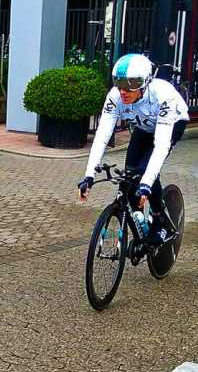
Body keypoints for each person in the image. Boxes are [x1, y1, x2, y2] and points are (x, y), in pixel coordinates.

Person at [78, 53, 189, 244]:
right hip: (144, 127)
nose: (124, 91)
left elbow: (161, 145)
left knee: (144, 172)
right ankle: (138, 223)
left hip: (172, 124)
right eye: (119, 83)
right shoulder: (115, 96)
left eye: (132, 84)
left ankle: (160, 221)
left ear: (146, 82)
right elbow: (102, 136)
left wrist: (146, 183)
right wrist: (89, 175)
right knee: (129, 176)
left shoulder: (163, 95)